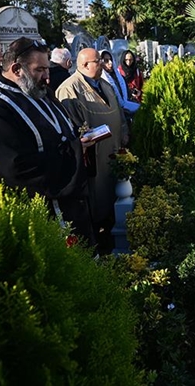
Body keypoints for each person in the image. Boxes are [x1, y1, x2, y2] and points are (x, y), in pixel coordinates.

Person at [0, 37, 95, 246]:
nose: (47, 78)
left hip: (71, 203)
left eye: (47, 69)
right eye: (40, 70)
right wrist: (74, 150)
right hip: (42, 214)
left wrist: (79, 142)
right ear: (17, 69)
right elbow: (17, 168)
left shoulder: (37, 92)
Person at [56, 48, 128, 255]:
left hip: (113, 150)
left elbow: (118, 111)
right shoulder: (70, 88)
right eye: (99, 61)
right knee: (97, 199)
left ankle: (111, 229)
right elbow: (74, 125)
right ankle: (99, 240)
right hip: (94, 157)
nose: (105, 65)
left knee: (114, 193)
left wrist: (123, 129)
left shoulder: (104, 84)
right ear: (85, 65)